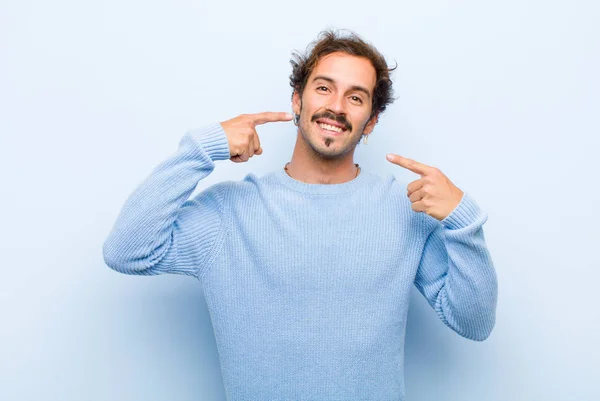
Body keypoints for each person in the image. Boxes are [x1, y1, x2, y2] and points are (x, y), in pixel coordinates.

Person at [103, 29, 498, 400]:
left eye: (356, 97)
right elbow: (127, 251)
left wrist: (463, 219)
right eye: (324, 88)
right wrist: (203, 148)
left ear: (371, 121)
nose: (336, 107)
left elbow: (473, 323)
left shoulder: (405, 211)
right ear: (297, 101)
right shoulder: (229, 212)